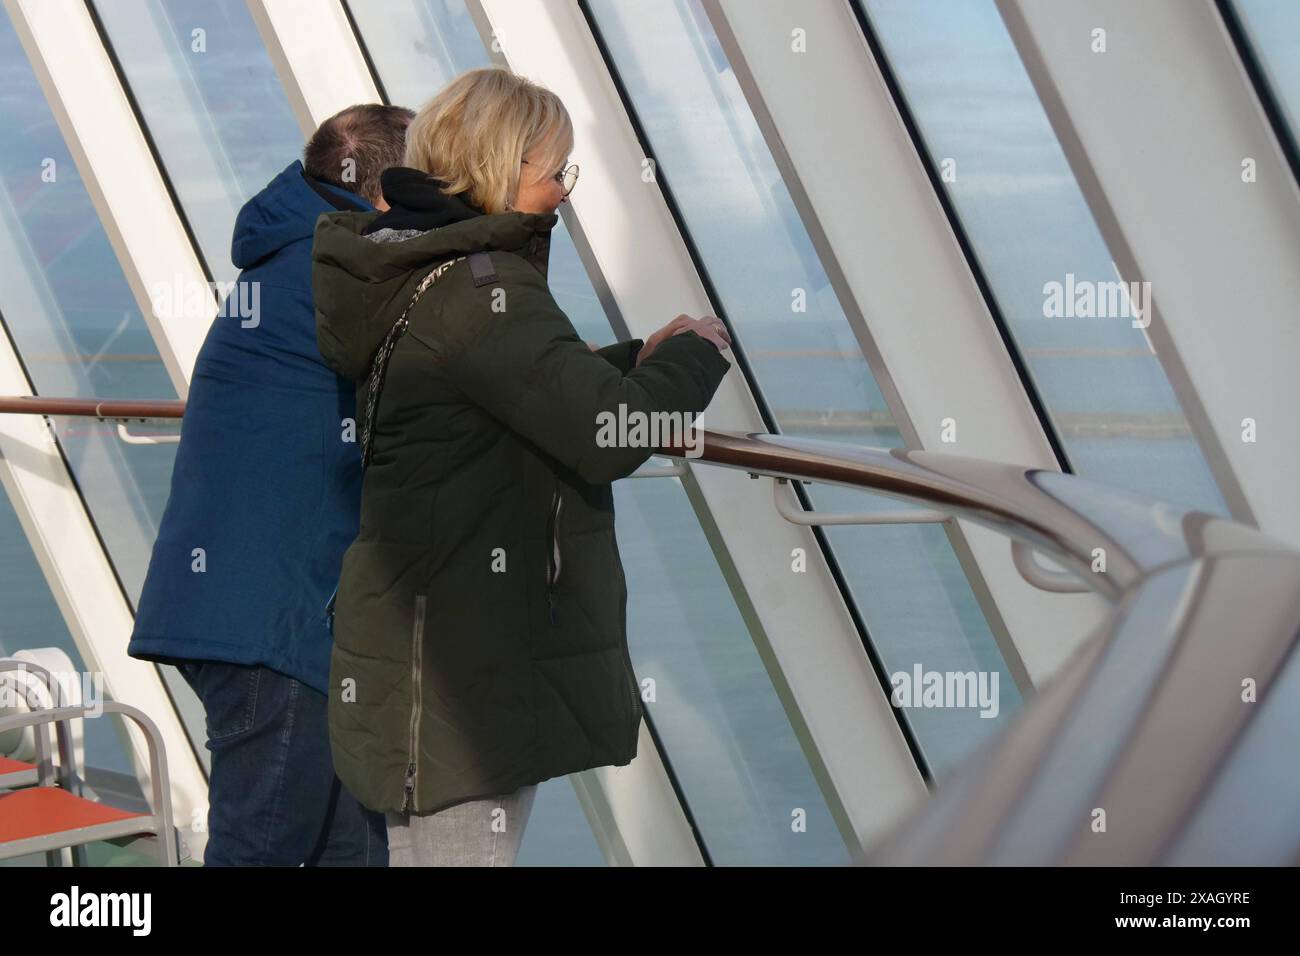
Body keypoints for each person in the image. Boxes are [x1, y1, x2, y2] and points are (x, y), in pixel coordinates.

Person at [311, 66, 732, 867]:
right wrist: (694, 360)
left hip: (420, 631)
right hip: (463, 662)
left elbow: (497, 383)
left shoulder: (413, 267)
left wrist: (628, 358)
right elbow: (607, 431)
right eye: (554, 171)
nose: (564, 191)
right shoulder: (481, 285)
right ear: (500, 165)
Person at [128, 103, 415, 866]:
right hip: (272, 623)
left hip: (256, 610)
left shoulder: (297, 257)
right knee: (268, 849)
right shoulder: (343, 273)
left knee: (345, 846)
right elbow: (479, 374)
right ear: (389, 191)